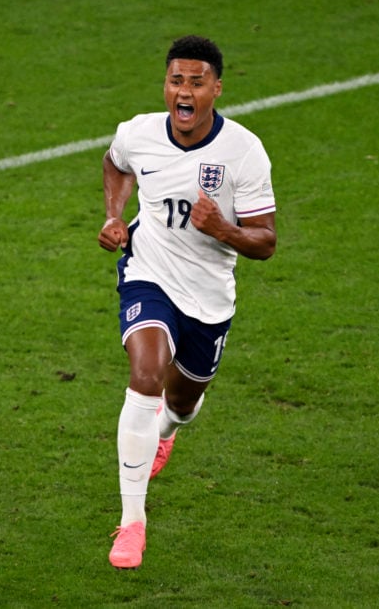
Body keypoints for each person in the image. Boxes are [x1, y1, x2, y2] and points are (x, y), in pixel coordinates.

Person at [97, 35, 278, 569]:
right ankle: (132, 523)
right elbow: (115, 164)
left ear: (216, 90)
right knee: (146, 374)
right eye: (177, 80)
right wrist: (113, 215)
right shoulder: (140, 132)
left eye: (197, 82)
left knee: (181, 401)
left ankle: (168, 432)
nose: (184, 91)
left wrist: (223, 228)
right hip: (149, 271)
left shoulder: (244, 152)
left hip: (209, 294)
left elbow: (265, 240)